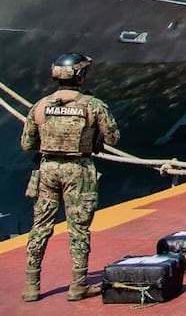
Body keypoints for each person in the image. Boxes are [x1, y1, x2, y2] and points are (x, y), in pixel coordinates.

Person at [21, 53, 119, 302]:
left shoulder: (41, 105)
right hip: (79, 170)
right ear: (81, 76)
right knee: (78, 229)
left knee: (40, 227)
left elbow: (27, 143)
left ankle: (32, 286)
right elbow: (113, 138)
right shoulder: (92, 105)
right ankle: (78, 285)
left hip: (47, 170)